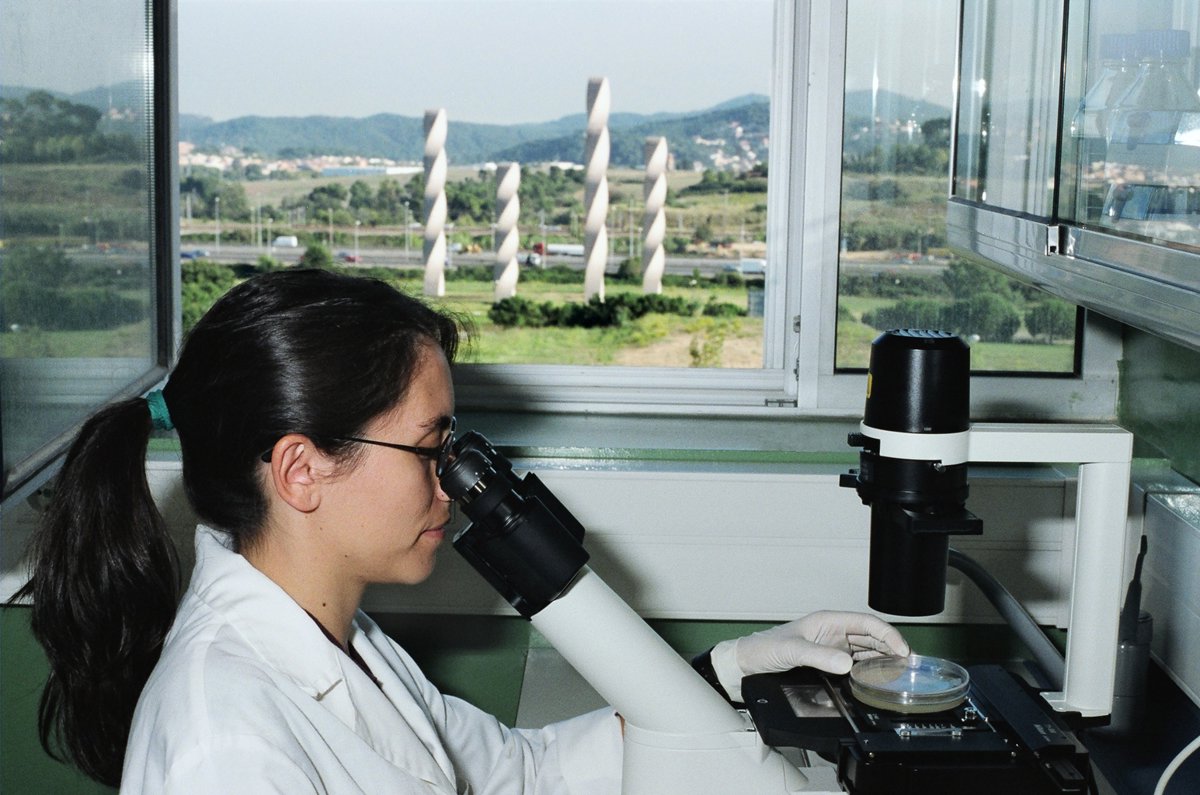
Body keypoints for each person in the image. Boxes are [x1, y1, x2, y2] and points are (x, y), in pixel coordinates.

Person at [16, 268, 908, 793]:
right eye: (429, 448)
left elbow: (523, 774)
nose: (451, 479)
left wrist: (735, 669)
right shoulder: (226, 743)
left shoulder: (347, 641)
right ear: (300, 470)